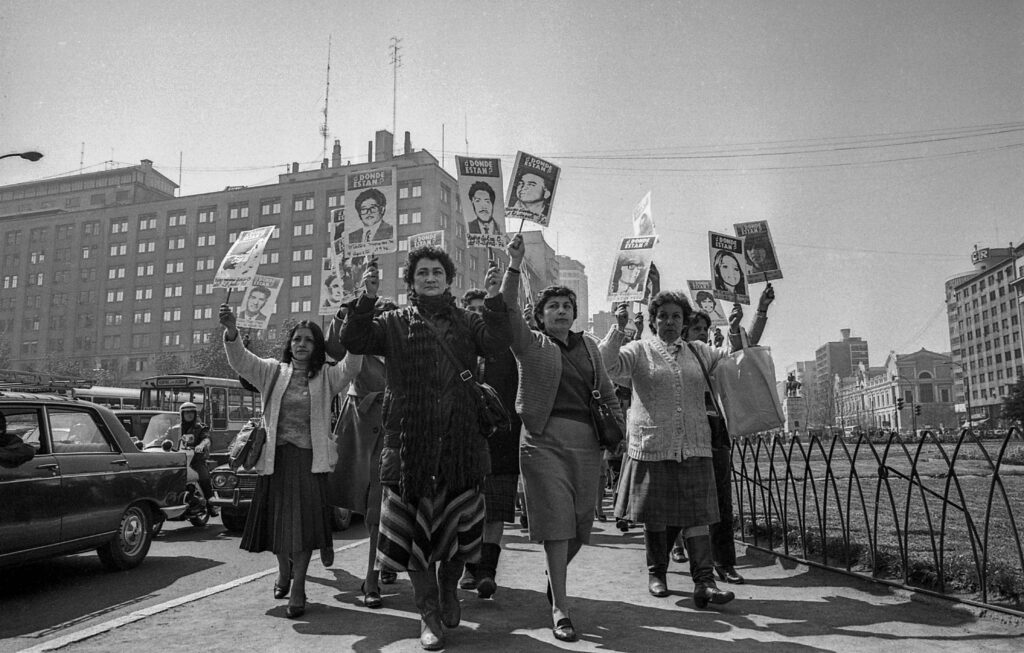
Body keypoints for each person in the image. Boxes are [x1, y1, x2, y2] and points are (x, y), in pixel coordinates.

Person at [337, 245, 511, 651]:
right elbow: (355, 337)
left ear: (449, 280)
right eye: (422, 273)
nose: (430, 278)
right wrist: (366, 296)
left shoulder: (469, 321)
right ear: (411, 282)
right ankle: (428, 612)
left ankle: (449, 588)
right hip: (407, 447)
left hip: (459, 444)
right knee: (413, 536)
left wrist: (497, 297)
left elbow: (499, 342)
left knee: (456, 532)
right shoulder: (393, 322)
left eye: (437, 272)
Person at [498, 234, 624, 643]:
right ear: (539, 315)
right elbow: (506, 311)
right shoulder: (530, 343)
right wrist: (514, 265)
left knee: (580, 526)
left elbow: (605, 392)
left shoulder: (588, 346)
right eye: (553, 306)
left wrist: (616, 434)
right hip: (542, 441)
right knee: (556, 524)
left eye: (567, 306)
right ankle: (561, 608)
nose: (561, 311)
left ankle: (555, 578)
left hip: (587, 445)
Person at [600, 293, 743, 609]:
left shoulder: (699, 352)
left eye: (676, 316)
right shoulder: (639, 351)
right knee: (656, 516)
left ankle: (704, 582)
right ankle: (657, 574)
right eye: (662, 316)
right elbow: (606, 365)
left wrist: (734, 329)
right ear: (652, 321)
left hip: (694, 445)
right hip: (653, 444)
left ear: (685, 321)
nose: (669, 322)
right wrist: (618, 327)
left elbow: (733, 360)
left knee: (698, 515)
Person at [219, 308, 362, 620]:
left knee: (304, 530)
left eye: (308, 340)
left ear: (317, 346)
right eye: (296, 339)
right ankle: (283, 571)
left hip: (309, 464)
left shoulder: (327, 375)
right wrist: (231, 331)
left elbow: (352, 366)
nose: (301, 344)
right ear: (290, 344)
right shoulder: (272, 371)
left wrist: (355, 328)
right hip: (276, 461)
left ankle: (298, 587)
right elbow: (241, 361)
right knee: (278, 529)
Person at [325, 300, 397, 609]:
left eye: (388, 318)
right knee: (331, 492)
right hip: (358, 427)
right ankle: (322, 542)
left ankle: (372, 577)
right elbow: (333, 346)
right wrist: (344, 314)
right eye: (377, 317)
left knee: (376, 510)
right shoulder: (359, 345)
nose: (382, 323)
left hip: (393, 430)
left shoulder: (403, 349)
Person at [456, 286, 522, 599]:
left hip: (503, 440)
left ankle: (487, 572)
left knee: (496, 510)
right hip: (465, 440)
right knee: (466, 510)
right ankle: (470, 566)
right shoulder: (456, 348)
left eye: (486, 309)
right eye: (475, 310)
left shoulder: (508, 349)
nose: (481, 315)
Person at [164, 402, 218, 517]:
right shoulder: (174, 429)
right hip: (178, 460)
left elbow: (206, 439)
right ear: (182, 414)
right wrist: (149, 444)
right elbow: (163, 439)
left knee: (203, 476)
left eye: (191, 412)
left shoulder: (200, 428)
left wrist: (201, 445)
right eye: (186, 412)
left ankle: (210, 504)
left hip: (195, 460)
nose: (189, 415)